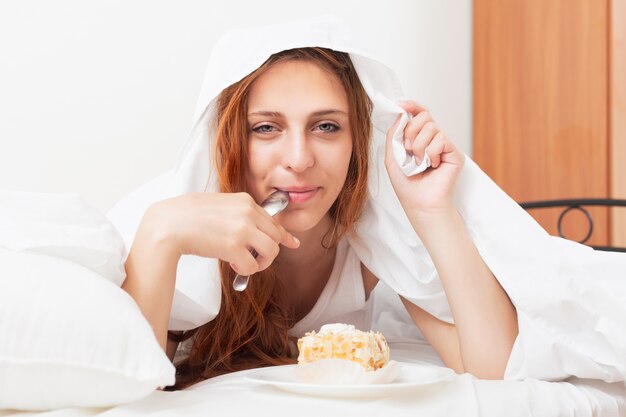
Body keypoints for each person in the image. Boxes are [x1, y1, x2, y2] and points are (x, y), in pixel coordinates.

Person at [109, 16, 626, 390]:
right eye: (266, 129)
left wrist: (432, 212)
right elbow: (126, 382)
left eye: (326, 127)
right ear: (228, 143)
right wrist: (160, 233)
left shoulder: (373, 241)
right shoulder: (190, 237)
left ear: (360, 139)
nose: (299, 159)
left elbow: (493, 368)